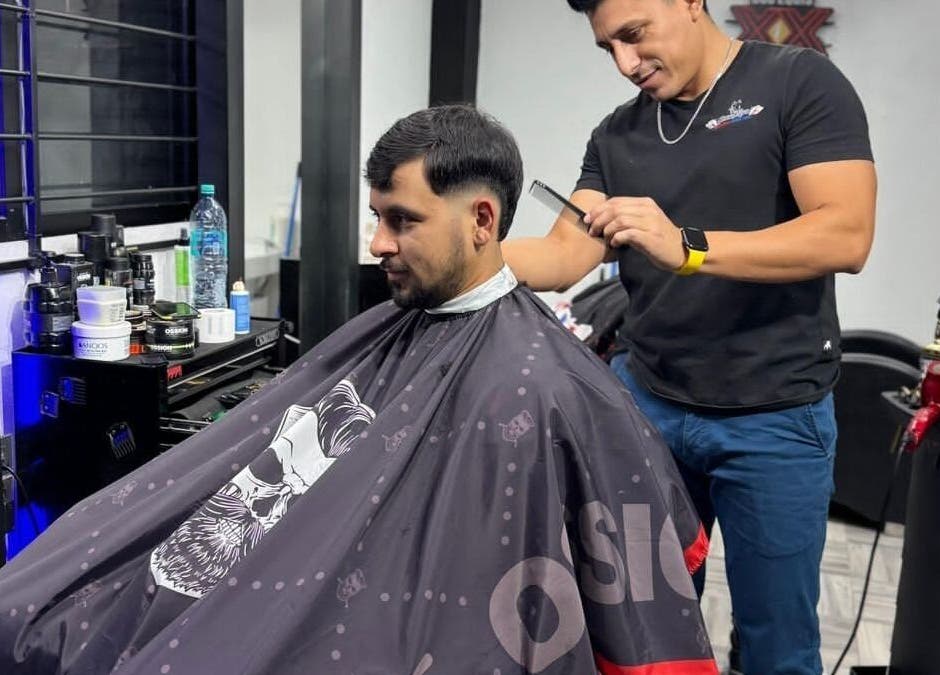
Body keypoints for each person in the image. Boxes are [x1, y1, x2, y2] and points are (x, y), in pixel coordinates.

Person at [0, 105, 717, 674]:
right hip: (270, 567)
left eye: (401, 220)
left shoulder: (540, 385)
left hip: (384, 626)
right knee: (36, 601)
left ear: (481, 221)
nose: (376, 243)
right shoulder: (389, 329)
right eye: (377, 217)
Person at [502, 1, 876, 673]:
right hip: (647, 409)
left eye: (634, 35)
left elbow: (845, 233)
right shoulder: (617, 135)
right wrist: (458, 254)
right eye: (606, 47)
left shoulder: (799, 84)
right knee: (644, 632)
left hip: (774, 417)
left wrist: (689, 247)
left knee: (776, 649)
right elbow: (564, 253)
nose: (623, 63)